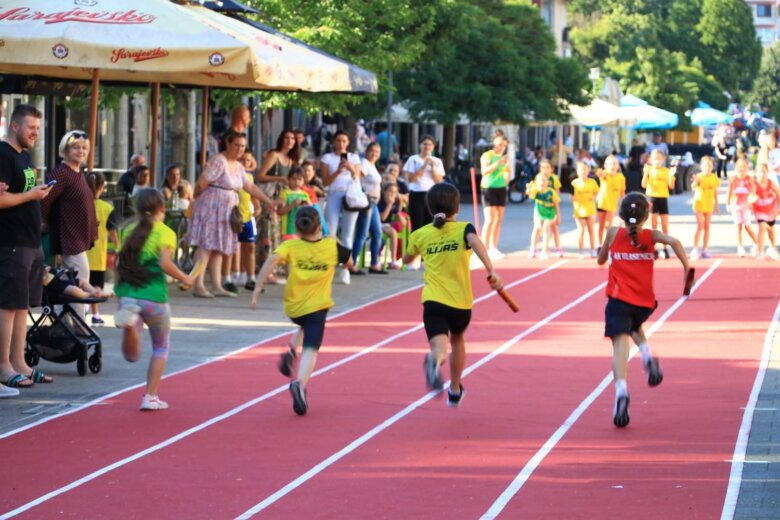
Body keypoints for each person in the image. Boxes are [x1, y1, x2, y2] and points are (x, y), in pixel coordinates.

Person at [402, 183, 503, 407]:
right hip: (460, 303)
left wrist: (412, 254)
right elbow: (476, 242)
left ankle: (434, 360)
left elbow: (406, 259)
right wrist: (491, 270)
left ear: (429, 208)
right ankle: (455, 389)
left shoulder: (420, 234)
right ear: (456, 208)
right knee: (457, 339)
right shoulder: (464, 228)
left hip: (433, 301)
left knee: (439, 348)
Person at [597, 192, 690, 428]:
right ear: (646, 217)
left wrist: (607, 254)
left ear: (621, 214)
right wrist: (687, 267)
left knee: (620, 344)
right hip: (644, 302)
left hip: (619, 299)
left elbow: (600, 260)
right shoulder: (650, 236)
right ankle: (647, 354)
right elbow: (675, 242)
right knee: (633, 325)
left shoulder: (613, 233)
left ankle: (621, 392)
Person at [250, 207, 352, 416]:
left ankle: (290, 350)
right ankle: (300, 383)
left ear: (297, 228)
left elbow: (271, 261)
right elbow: (350, 263)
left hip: (293, 307)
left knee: (305, 323)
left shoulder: (291, 245)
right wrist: (333, 240)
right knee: (311, 349)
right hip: (317, 306)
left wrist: (257, 288)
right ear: (319, 227)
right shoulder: (331, 246)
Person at [114, 189, 196, 411]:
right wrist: (185, 277)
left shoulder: (128, 230)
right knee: (160, 347)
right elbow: (165, 263)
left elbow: (120, 262)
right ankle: (150, 396)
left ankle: (131, 325)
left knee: (131, 356)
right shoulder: (166, 232)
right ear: (163, 208)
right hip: (154, 296)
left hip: (128, 293)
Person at [188, 130, 281, 298]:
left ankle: (217, 285)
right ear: (228, 144)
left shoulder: (238, 166)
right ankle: (198, 284)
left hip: (226, 210)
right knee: (205, 246)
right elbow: (201, 183)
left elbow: (250, 187)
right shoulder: (219, 161)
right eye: (236, 145)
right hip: (211, 207)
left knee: (217, 247)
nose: (239, 149)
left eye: (243, 146)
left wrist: (269, 201)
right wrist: (197, 202)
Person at [0, 104, 53, 391]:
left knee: (22, 306)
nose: (36, 133)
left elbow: (22, 193)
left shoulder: (24, 156)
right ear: (15, 126)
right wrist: (30, 195)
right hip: (11, 243)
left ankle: (19, 362)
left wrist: (36, 194)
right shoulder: (3, 155)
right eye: (31, 127)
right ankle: (3, 367)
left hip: (30, 241)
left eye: (37, 128)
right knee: (8, 305)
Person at [41, 129, 98, 319]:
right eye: (75, 147)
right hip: (68, 236)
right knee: (80, 278)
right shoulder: (62, 173)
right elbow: (44, 198)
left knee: (70, 281)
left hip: (78, 236)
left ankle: (67, 325)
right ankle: (78, 326)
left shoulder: (78, 172)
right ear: (65, 149)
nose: (81, 151)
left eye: (84, 148)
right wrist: (44, 221)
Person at [255, 129, 300, 283]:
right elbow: (260, 175)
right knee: (268, 233)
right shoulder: (274, 155)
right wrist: (279, 178)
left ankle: (272, 268)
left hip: (283, 198)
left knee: (277, 233)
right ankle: (266, 271)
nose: (289, 141)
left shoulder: (291, 161)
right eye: (287, 138)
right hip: (270, 196)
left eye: (292, 138)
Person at [320, 130, 363, 284]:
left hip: (350, 196)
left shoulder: (354, 158)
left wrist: (350, 168)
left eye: (344, 141)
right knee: (330, 230)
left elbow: (357, 177)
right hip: (334, 194)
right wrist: (338, 170)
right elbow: (324, 182)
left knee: (348, 233)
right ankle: (330, 265)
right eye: (338, 140)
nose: (341, 144)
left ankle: (346, 268)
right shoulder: (328, 158)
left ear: (348, 143)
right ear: (334, 142)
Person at [85, 171, 119, 325]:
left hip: (81, 255)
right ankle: (95, 314)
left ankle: (84, 311)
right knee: (96, 287)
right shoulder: (107, 208)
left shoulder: (81, 206)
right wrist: (119, 248)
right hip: (98, 256)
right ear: (102, 187)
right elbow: (113, 233)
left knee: (82, 285)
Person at [351, 142, 388, 274]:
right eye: (372, 151)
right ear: (366, 151)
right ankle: (353, 263)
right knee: (363, 234)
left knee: (377, 233)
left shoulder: (372, 166)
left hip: (374, 204)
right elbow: (357, 179)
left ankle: (374, 263)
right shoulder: (364, 163)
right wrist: (363, 194)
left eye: (377, 152)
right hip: (366, 202)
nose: (374, 154)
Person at [403, 135, 445, 234]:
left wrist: (433, 167)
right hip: (417, 194)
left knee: (430, 225)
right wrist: (424, 165)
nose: (427, 147)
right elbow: (411, 179)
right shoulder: (413, 159)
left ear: (433, 146)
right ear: (420, 145)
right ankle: (415, 248)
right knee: (417, 225)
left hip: (431, 195)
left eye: (430, 144)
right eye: (425, 144)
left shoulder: (437, 161)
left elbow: (439, 180)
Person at [479, 133, 511, 259]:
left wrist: (508, 174)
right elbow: (484, 171)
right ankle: (484, 248)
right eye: (499, 145)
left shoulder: (504, 158)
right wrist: (498, 163)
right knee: (490, 219)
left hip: (501, 188)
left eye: (504, 146)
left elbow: (507, 175)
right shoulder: (487, 155)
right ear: (494, 144)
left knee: (498, 219)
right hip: (488, 188)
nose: (501, 147)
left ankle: (493, 247)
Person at [641, 149, 675, 258]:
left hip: (663, 198)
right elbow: (644, 185)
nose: (657, 162)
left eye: (659, 159)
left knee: (665, 224)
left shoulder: (666, 171)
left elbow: (671, 186)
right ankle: (653, 248)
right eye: (655, 159)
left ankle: (665, 248)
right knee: (653, 225)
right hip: (652, 198)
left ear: (663, 160)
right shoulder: (649, 170)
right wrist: (645, 173)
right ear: (651, 159)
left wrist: (671, 175)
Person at [726, 157, 759, 258]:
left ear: (747, 167)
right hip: (736, 205)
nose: (742, 168)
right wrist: (728, 204)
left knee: (747, 226)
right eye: (740, 166)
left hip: (746, 206)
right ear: (736, 167)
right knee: (738, 227)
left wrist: (752, 202)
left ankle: (757, 243)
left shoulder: (749, 179)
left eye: (744, 166)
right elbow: (729, 192)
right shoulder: (733, 179)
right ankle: (740, 247)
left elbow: (753, 192)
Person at [690, 156, 720, 260]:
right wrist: (695, 182)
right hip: (699, 205)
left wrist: (716, 204)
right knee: (700, 226)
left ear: (712, 167)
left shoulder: (714, 178)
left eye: (709, 165)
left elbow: (715, 192)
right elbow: (693, 186)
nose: (707, 167)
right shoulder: (699, 177)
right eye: (705, 165)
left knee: (707, 226)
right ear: (701, 166)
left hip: (708, 205)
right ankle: (694, 249)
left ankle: (705, 249)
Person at [527, 173, 560, 260]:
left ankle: (545, 250)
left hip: (550, 213)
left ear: (547, 182)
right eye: (540, 180)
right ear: (536, 182)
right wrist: (528, 189)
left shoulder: (551, 192)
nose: (542, 182)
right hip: (539, 213)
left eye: (544, 180)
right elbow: (530, 196)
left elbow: (556, 204)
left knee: (546, 228)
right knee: (537, 229)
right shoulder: (536, 190)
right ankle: (533, 249)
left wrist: (558, 215)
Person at [596, 155, 626, 246]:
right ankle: (599, 245)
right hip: (602, 203)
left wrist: (625, 203)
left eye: (614, 163)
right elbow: (602, 175)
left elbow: (622, 192)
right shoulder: (605, 174)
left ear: (618, 166)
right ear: (605, 165)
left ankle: (607, 244)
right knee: (601, 225)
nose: (612, 165)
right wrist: (600, 173)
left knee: (608, 225)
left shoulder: (621, 177)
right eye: (610, 163)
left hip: (612, 204)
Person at [571, 161, 599, 259]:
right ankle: (581, 251)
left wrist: (594, 196)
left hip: (590, 210)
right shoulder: (574, 183)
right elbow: (571, 196)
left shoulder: (592, 182)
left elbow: (597, 192)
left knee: (591, 230)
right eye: (581, 169)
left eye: (585, 169)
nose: (583, 171)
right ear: (577, 171)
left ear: (588, 170)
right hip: (579, 211)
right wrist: (573, 199)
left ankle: (593, 250)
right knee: (581, 230)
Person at [752, 162, 780, 260]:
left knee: (771, 230)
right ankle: (760, 251)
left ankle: (772, 248)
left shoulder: (771, 183)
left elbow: (778, 194)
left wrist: (778, 207)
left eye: (764, 172)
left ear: (767, 173)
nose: (762, 174)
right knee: (762, 227)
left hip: (770, 210)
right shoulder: (754, 184)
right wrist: (752, 199)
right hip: (759, 211)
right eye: (760, 172)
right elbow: (749, 198)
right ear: (756, 173)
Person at [277, 166, 311, 241]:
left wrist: (308, 206)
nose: (297, 182)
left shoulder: (305, 195)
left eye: (299, 179)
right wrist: (292, 205)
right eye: (294, 179)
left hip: (303, 230)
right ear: (288, 179)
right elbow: (279, 211)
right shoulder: (285, 193)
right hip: (288, 230)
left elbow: (311, 212)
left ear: (303, 181)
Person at [377, 182, 404, 268]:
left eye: (395, 192)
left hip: (386, 225)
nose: (392, 194)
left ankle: (393, 260)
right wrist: (389, 204)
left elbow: (404, 223)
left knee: (393, 231)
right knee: (392, 231)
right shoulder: (380, 201)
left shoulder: (395, 203)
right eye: (390, 191)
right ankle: (377, 258)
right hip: (377, 224)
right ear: (384, 192)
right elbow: (383, 218)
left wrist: (399, 212)